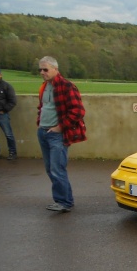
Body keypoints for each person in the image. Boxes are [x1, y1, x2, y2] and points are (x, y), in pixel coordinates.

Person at [36, 56, 86, 212]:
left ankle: (64, 202)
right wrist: (40, 123)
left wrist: (59, 127)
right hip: (43, 132)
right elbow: (42, 107)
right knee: (50, 168)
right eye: (40, 70)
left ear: (55, 69)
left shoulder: (66, 86)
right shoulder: (45, 86)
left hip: (57, 134)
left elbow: (78, 111)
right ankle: (62, 199)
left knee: (57, 169)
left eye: (45, 69)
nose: (42, 72)